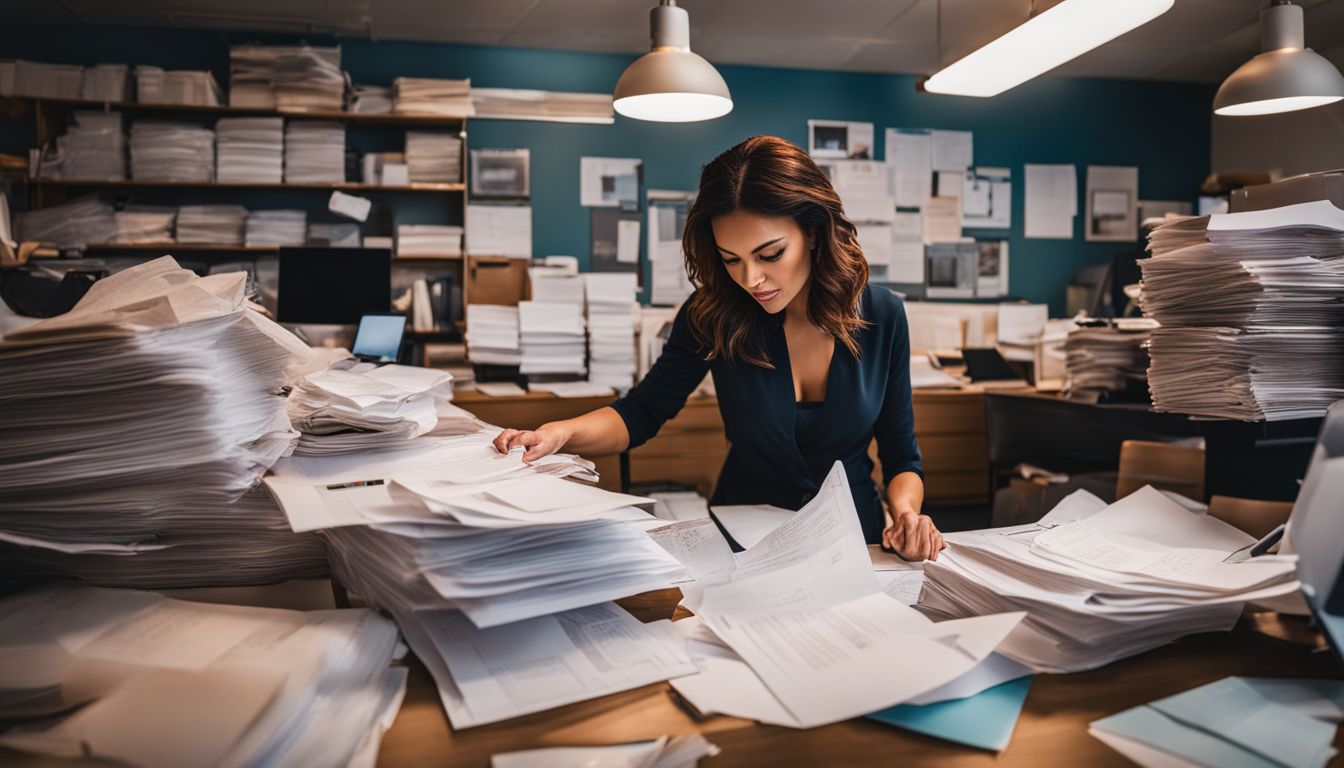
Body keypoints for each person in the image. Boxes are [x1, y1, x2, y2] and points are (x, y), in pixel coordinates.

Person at [492, 135, 944, 561]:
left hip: (852, 539)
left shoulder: (882, 315)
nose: (750, 280)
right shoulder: (713, 312)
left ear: (813, 231)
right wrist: (562, 434)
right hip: (742, 543)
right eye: (731, 259)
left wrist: (906, 515)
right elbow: (642, 411)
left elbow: (901, 456)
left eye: (769, 255)